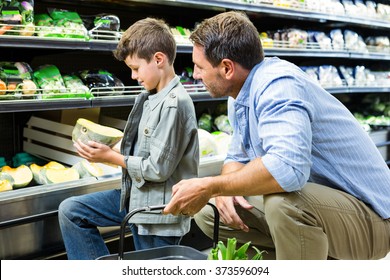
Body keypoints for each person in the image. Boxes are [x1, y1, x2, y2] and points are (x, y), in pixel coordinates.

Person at [163, 11, 390, 260]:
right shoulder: (240, 95)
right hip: (329, 209)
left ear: (227, 68)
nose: (195, 74)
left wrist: (211, 185)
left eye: (199, 67)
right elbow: (236, 157)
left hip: (375, 220)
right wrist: (222, 191)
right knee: (211, 211)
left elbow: (287, 169)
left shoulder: (278, 84)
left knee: (286, 203)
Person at [58, 17, 199, 260]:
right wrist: (110, 149)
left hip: (158, 213)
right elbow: (145, 150)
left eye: (135, 68)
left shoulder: (174, 105)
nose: (133, 76)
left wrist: (113, 156)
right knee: (71, 211)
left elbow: (157, 169)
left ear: (158, 59)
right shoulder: (149, 97)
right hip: (136, 198)